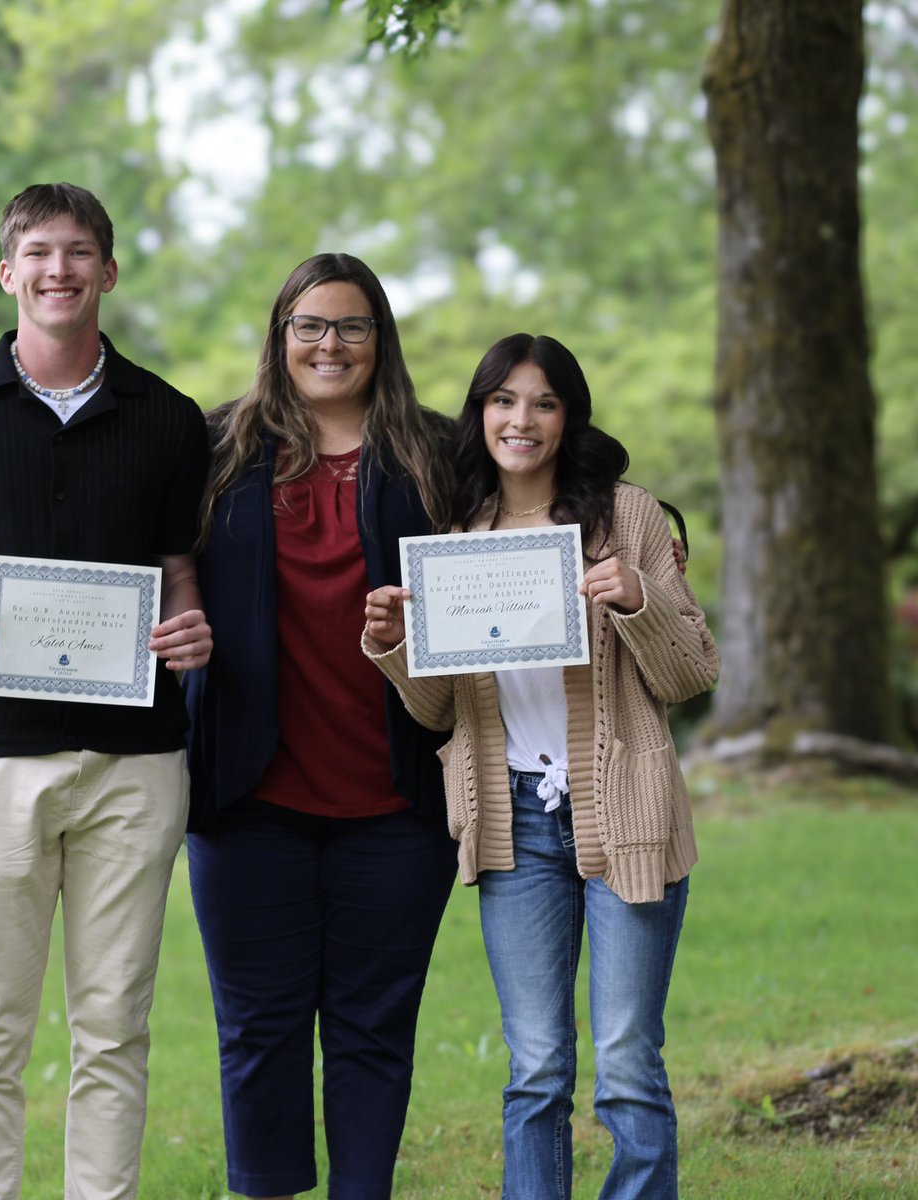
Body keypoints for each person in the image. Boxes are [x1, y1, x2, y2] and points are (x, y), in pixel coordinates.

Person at [0, 182, 211, 1200]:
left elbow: (178, 572)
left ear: (108, 271)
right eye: (39, 253)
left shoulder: (169, 419)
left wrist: (191, 628)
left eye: (79, 253)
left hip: (135, 767)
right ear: (8, 272)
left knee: (115, 1026)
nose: (59, 271)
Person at [363, 333, 719, 1200]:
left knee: (629, 1064)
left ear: (570, 416)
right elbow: (444, 711)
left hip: (623, 807)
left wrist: (636, 598)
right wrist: (397, 648)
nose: (523, 421)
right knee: (536, 1071)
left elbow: (692, 671)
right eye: (505, 401)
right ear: (481, 412)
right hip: (511, 820)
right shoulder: (454, 530)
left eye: (545, 403)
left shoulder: (626, 516)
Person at [183, 253, 460, 1200]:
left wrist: (639, 535)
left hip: (395, 797)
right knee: (256, 1029)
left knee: (373, 1029)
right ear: (280, 337)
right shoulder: (215, 448)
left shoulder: (437, 453)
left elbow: (536, 513)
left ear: (379, 340)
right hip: (247, 795)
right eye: (309, 326)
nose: (328, 345)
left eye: (350, 326)